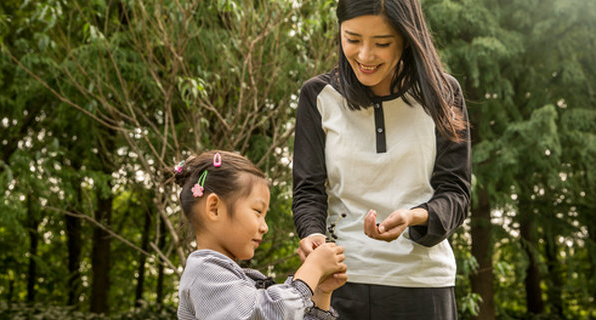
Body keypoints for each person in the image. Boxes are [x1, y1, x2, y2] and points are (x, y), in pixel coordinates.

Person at [292, 0, 471, 318]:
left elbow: (456, 192)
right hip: (339, 283)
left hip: (423, 283)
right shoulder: (318, 96)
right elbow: (307, 190)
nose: (364, 56)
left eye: (382, 43)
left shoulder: (444, 94)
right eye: (352, 39)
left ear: (407, 37)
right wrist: (312, 234)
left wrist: (414, 217)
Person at [175, 150, 348, 320]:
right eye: (257, 211)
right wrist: (313, 269)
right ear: (214, 208)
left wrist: (319, 293)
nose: (264, 227)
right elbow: (265, 314)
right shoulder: (204, 273)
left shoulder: (238, 280)